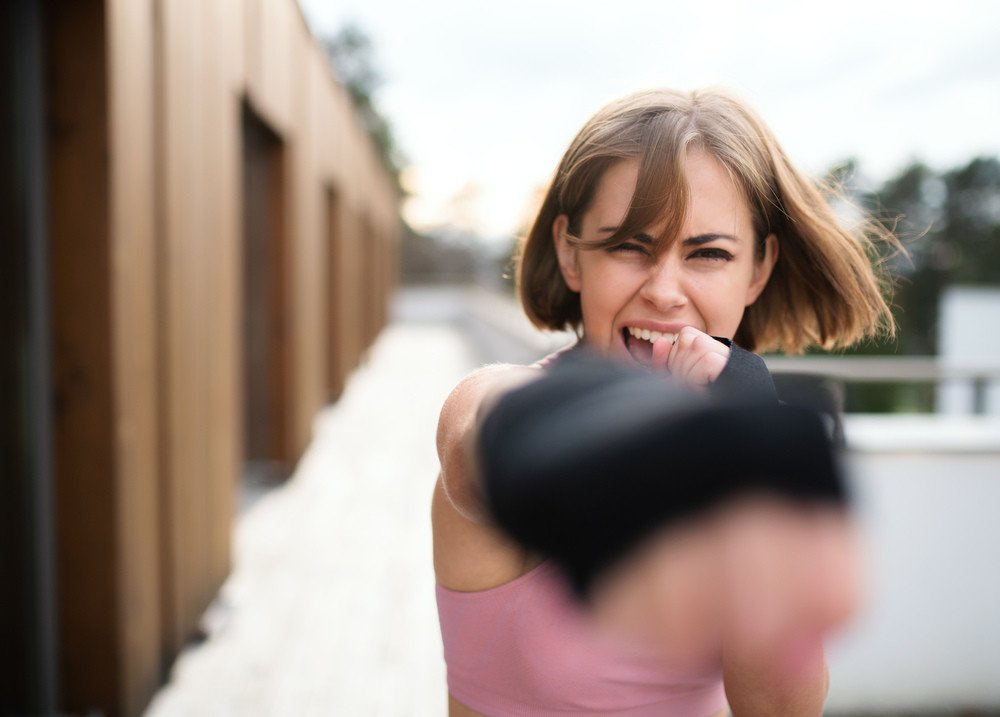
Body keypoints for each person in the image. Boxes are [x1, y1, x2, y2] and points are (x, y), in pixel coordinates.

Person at [432, 87, 898, 717]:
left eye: (708, 253)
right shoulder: (499, 402)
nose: (665, 291)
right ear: (571, 252)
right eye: (630, 246)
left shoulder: (745, 455)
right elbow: (477, 437)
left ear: (758, 270)